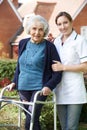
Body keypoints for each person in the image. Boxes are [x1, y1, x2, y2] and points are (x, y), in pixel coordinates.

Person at [7, 15, 62, 130]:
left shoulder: (49, 47)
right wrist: (14, 82)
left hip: (40, 88)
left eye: (41, 29)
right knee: (31, 117)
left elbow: (58, 72)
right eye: (34, 29)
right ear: (29, 29)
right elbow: (20, 66)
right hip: (23, 87)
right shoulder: (23, 43)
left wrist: (49, 86)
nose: (37, 32)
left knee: (31, 118)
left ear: (45, 31)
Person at [52, 11, 87, 130]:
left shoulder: (80, 40)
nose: (63, 27)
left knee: (71, 127)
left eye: (65, 22)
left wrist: (63, 67)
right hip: (59, 90)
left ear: (71, 22)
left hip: (75, 91)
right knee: (64, 127)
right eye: (59, 24)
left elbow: (85, 67)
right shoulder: (56, 41)